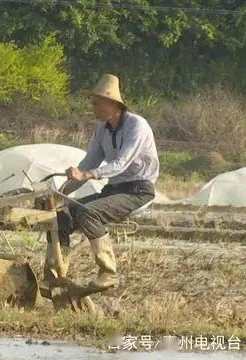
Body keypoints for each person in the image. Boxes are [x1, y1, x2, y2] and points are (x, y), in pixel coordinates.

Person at [57, 73, 159, 292]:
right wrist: (61, 193)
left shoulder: (136, 126)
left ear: (112, 104)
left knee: (89, 213)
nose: (92, 107)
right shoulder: (102, 129)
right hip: (114, 189)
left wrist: (86, 175)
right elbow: (87, 163)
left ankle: (109, 273)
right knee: (61, 213)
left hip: (138, 190)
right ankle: (57, 272)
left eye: (96, 103)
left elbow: (121, 163)